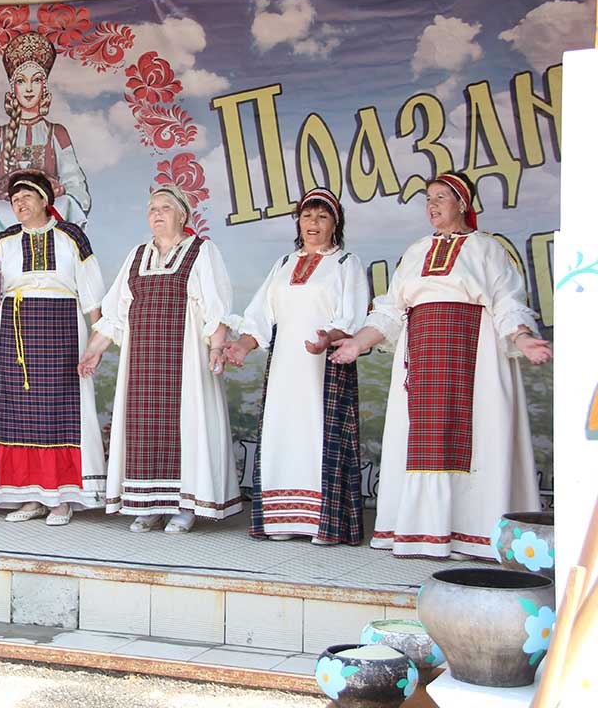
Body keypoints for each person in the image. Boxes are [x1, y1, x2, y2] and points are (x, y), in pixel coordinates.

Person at [330, 173, 552, 559]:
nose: (432, 206)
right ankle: (422, 532)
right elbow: (390, 312)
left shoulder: (487, 249)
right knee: (422, 443)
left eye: (441, 198)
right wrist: (357, 343)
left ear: (463, 204)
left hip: (474, 359)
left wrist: (522, 338)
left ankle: (473, 534)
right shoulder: (416, 251)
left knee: (477, 438)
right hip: (421, 360)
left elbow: (506, 303)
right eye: (428, 199)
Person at [0, 169, 105, 526]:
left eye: (27, 197)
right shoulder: (5, 239)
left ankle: (61, 498)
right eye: (15, 200)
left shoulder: (70, 236)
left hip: (61, 326)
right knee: (17, 412)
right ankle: (29, 494)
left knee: (59, 411)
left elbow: (92, 292)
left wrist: (97, 342)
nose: (19, 203)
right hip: (15, 329)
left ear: (45, 201)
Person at [78, 185, 241, 533]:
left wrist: (216, 349)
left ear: (182, 215)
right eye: (152, 208)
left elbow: (216, 306)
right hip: (141, 363)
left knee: (184, 426)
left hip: (185, 361)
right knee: (143, 428)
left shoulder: (201, 251)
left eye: (165, 207)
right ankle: (147, 503)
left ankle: (185, 506)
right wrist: (93, 351)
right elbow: (116, 311)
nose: (157, 214)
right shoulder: (137, 254)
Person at [224, 188, 368, 545]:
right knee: (282, 434)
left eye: (321, 217)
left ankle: (323, 523)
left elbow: (352, 316)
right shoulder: (284, 264)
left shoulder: (347, 263)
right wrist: (243, 345)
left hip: (325, 364)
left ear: (336, 223)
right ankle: (281, 519)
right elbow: (261, 314)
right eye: (307, 216)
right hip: (286, 364)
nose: (313, 224)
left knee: (316, 436)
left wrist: (328, 337)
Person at [0, 31, 91, 237]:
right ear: (12, 88)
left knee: (67, 203)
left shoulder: (56, 134)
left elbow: (75, 184)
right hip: (5, 213)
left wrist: (58, 189)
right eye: (21, 81)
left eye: (35, 81)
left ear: (44, 86)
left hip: (48, 213)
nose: (28, 89)